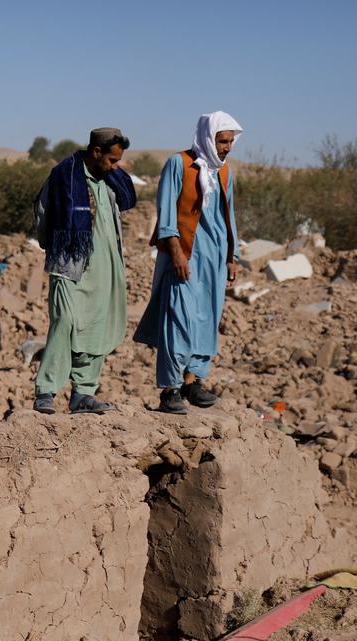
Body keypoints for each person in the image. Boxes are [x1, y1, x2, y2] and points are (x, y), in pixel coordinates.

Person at [134, 111, 243, 414]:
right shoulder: (179, 163)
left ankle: (192, 382)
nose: (227, 147)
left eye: (230, 141)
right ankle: (169, 390)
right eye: (223, 141)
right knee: (178, 319)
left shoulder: (224, 171)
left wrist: (232, 256)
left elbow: (228, 214)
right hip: (185, 254)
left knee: (207, 318)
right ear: (208, 138)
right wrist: (176, 252)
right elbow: (166, 212)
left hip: (215, 257)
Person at [32, 127, 137, 415]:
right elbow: (42, 213)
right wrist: (53, 245)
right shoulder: (64, 175)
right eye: (112, 160)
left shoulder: (111, 181)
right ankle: (46, 390)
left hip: (105, 265)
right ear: (96, 152)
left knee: (96, 327)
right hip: (70, 263)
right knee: (64, 320)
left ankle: (83, 393)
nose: (116, 167)